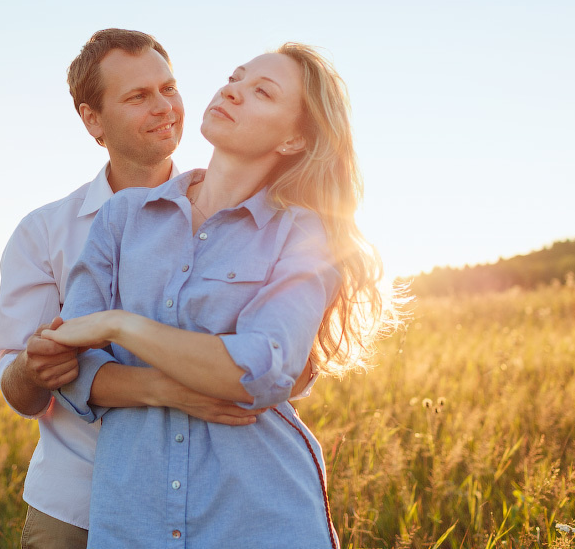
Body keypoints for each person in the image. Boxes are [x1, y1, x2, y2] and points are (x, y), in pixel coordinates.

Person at [44, 43, 394, 548]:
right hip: (132, 519)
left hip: (259, 515)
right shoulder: (123, 220)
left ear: (295, 137)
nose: (232, 89)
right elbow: (70, 368)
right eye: (235, 77)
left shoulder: (304, 236)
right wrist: (175, 379)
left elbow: (259, 371)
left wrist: (121, 326)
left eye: (261, 92)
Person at [0, 29, 263, 549]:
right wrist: (35, 368)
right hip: (78, 501)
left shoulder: (237, 217)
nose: (164, 107)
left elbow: (270, 363)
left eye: (168, 87)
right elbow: (19, 389)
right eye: (138, 96)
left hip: (212, 496)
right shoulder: (43, 232)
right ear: (92, 118)